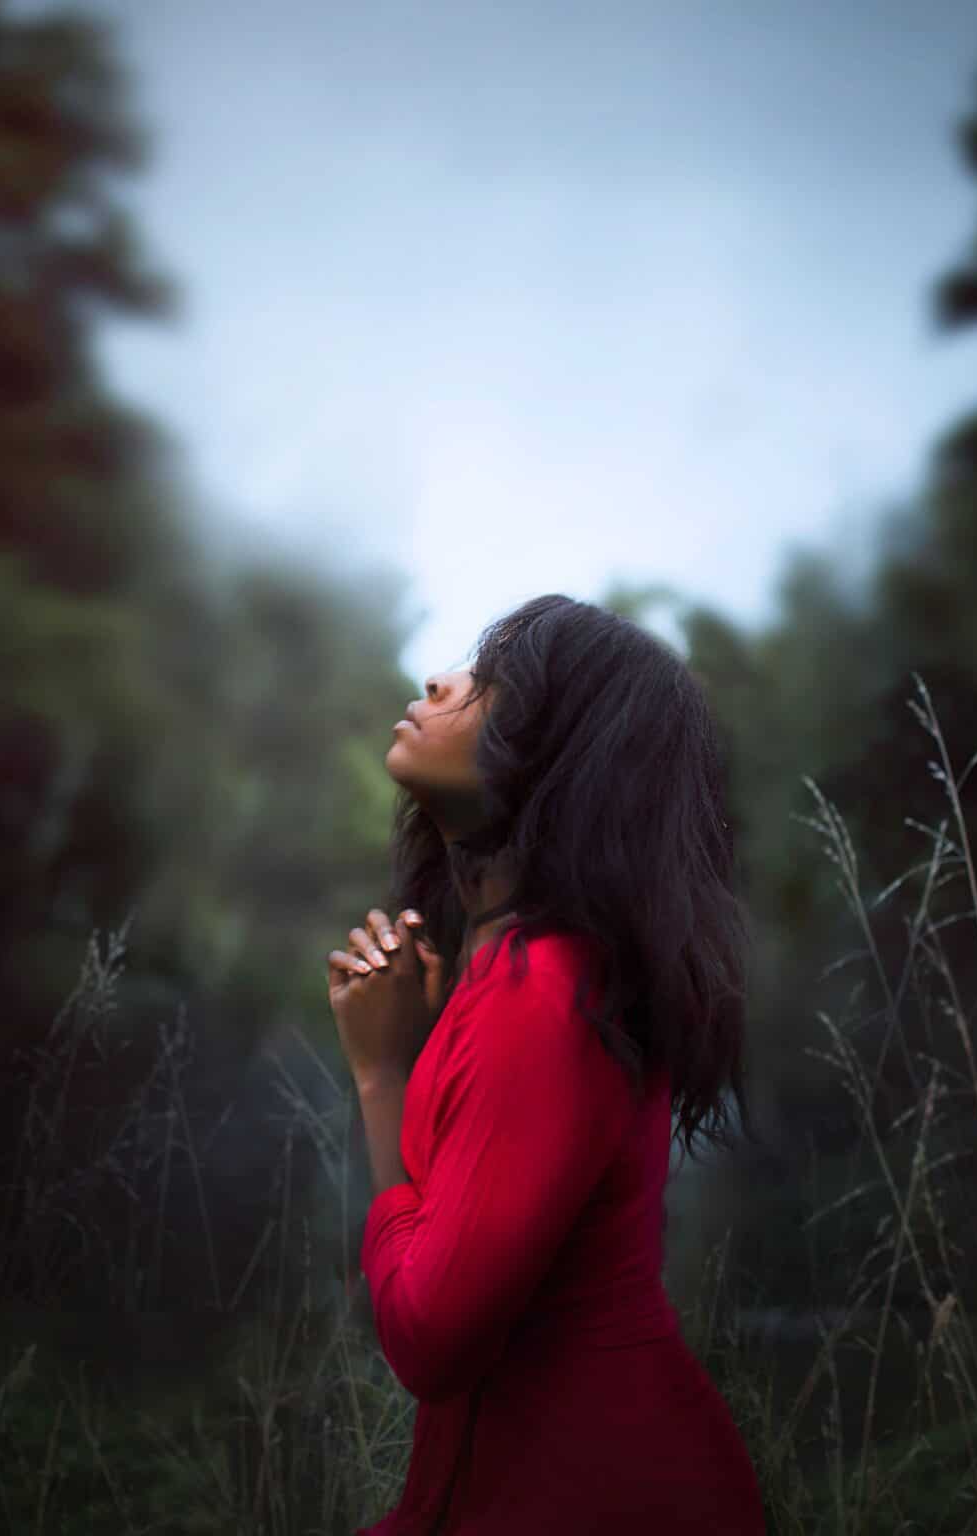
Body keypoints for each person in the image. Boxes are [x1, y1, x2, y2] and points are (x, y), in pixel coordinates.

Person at [328, 594, 766, 1534]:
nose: (439, 681)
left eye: (491, 687)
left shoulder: (545, 996)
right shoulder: (517, 977)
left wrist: (379, 1077)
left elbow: (432, 1341)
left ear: (563, 758)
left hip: (592, 1489)